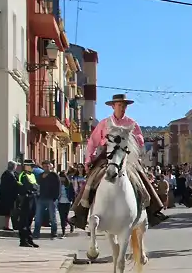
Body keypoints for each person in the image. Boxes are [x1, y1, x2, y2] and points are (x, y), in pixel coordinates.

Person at [69, 94, 169, 230]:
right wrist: (89, 160)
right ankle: (81, 213)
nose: (122, 108)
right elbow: (92, 142)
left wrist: (133, 148)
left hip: (127, 155)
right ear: (113, 106)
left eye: (124, 106)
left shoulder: (132, 123)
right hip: (107, 154)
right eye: (119, 105)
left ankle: (153, 211)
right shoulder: (104, 123)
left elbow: (140, 142)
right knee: (93, 178)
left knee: (141, 178)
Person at [34, 160, 60, 239]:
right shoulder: (40, 176)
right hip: (41, 199)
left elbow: (58, 187)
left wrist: (55, 198)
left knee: (52, 217)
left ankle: (54, 232)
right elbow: (37, 186)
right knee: (38, 217)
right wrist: (37, 196)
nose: (46, 168)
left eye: (47, 166)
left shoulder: (54, 175)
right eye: (44, 166)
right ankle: (36, 233)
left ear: (50, 166)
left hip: (51, 199)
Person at [16, 159, 39, 248]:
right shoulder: (23, 175)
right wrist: (35, 187)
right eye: (31, 166)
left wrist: (35, 188)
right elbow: (29, 186)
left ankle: (29, 239)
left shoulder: (32, 175)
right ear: (26, 166)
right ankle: (23, 240)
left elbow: (37, 186)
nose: (33, 168)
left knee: (29, 221)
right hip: (25, 199)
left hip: (32, 198)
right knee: (24, 221)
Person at [0, 161, 19, 230]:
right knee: (8, 211)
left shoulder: (11, 173)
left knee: (9, 211)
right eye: (15, 166)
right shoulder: (7, 174)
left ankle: (9, 225)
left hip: (10, 196)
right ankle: (7, 226)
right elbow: (11, 185)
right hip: (7, 196)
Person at [58, 171, 75, 237]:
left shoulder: (69, 184)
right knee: (62, 217)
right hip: (60, 202)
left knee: (65, 217)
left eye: (63, 178)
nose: (62, 179)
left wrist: (73, 201)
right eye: (60, 178)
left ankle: (70, 224)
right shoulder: (58, 184)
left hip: (67, 202)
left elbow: (73, 193)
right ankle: (63, 232)